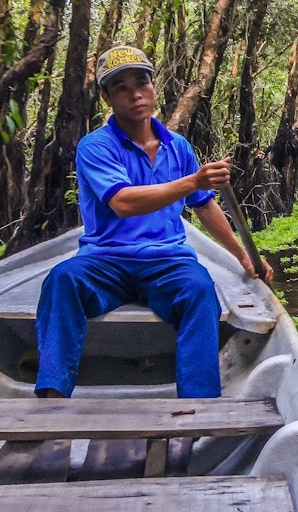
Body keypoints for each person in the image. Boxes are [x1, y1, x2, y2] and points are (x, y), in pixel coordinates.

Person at [34, 45, 273, 399]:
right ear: (106, 97)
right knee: (62, 281)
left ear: (154, 85)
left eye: (141, 82)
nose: (135, 94)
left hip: (167, 262)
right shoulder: (95, 147)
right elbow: (123, 202)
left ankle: (198, 406)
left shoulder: (178, 147)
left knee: (200, 290)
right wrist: (193, 181)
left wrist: (242, 255)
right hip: (106, 261)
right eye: (121, 87)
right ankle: (53, 401)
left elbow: (204, 205)